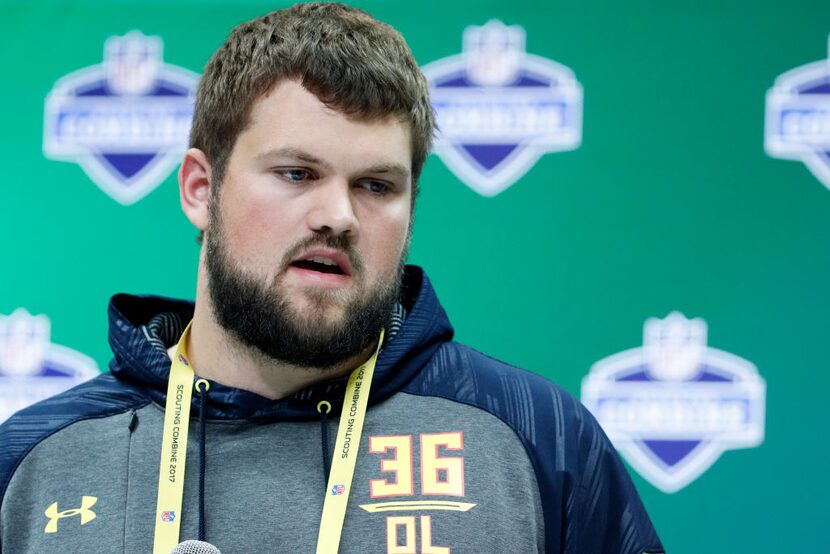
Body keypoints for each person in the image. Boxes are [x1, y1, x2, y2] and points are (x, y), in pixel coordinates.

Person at [0, 3, 664, 553]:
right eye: (297, 174)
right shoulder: (34, 465)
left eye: (376, 186)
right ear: (200, 189)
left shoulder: (541, 443)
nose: (339, 216)